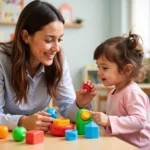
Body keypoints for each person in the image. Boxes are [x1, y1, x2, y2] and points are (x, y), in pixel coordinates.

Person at [0, 0, 96, 131]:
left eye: (60, 39)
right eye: (49, 40)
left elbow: (67, 110)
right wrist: (22, 122)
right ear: (26, 36)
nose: (56, 48)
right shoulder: (2, 60)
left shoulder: (58, 60)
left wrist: (79, 104)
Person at [90, 30, 150, 150]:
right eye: (98, 66)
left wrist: (109, 120)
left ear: (126, 70)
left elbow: (140, 121)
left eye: (105, 67)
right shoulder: (114, 92)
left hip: (138, 147)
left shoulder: (132, 93)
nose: (99, 72)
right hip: (120, 145)